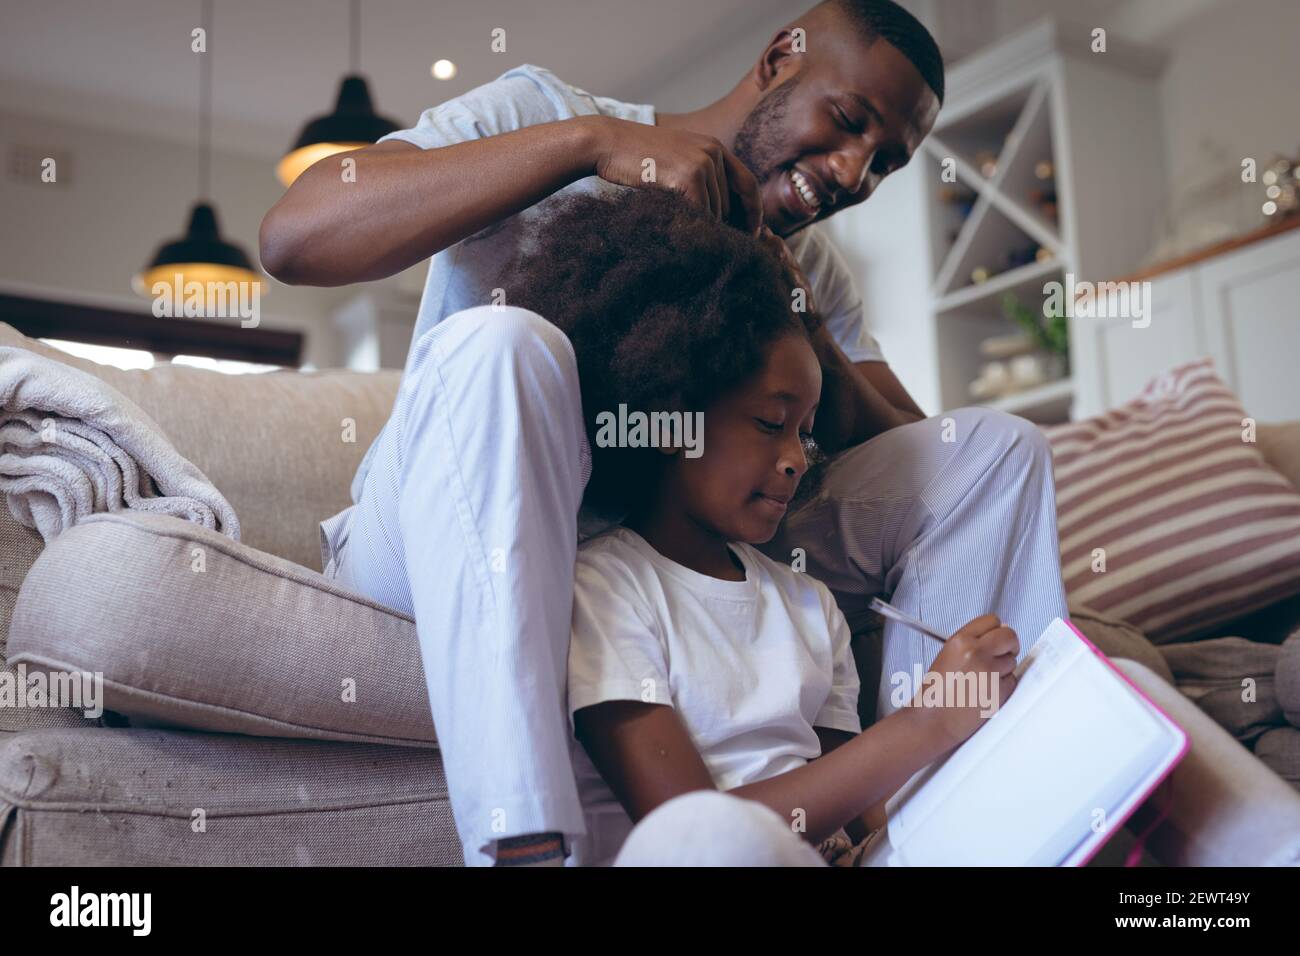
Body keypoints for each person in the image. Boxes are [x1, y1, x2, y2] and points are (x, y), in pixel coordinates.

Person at [263, 0, 1069, 865]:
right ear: (780, 56)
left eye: (885, 163)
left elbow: (927, 461)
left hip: (666, 547)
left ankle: (950, 829)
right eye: (847, 123)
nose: (851, 172)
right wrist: (591, 143)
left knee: (999, 447)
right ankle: (524, 845)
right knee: (506, 342)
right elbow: (295, 237)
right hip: (445, 538)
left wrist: (799, 318)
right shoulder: (540, 111)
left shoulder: (814, 265)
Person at [511, 185, 1022, 866]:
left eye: (806, 436)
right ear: (671, 419)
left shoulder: (809, 603)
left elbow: (856, 804)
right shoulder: (605, 587)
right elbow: (687, 826)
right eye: (769, 424)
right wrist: (924, 724)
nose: (794, 461)